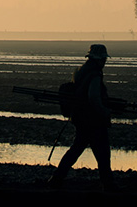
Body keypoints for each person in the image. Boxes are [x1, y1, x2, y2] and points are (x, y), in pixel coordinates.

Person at [47, 43, 116, 191]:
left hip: (80, 118)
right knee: (102, 152)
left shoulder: (80, 71)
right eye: (103, 59)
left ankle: (56, 179)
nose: (104, 62)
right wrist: (105, 112)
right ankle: (108, 184)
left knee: (76, 149)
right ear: (99, 59)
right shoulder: (95, 75)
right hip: (93, 120)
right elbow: (94, 98)